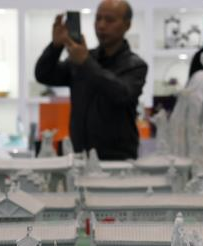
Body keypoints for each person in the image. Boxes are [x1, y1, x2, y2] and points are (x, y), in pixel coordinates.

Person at [34, 0, 147, 160]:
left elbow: (121, 94)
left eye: (109, 20)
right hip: (80, 156)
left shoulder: (135, 65)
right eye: (98, 18)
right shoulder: (83, 58)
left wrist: (86, 62)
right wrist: (55, 47)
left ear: (127, 25)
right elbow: (44, 74)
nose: (101, 25)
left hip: (118, 159)